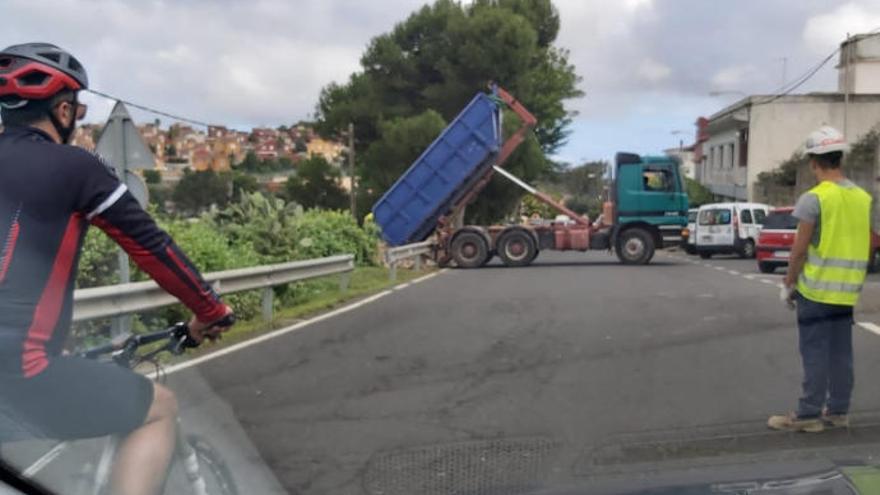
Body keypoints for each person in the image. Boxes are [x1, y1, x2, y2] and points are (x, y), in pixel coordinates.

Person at [0, 43, 234, 495]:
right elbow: (152, 248)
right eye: (78, 109)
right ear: (63, 109)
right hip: (19, 373)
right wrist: (210, 311)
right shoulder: (75, 168)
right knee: (159, 408)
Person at [768, 126, 872, 433]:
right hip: (847, 292)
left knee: (814, 353)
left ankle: (808, 414)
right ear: (839, 158)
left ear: (814, 161)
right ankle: (838, 411)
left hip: (815, 292)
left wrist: (788, 284)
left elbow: (799, 249)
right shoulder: (862, 198)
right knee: (841, 354)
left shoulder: (814, 198)